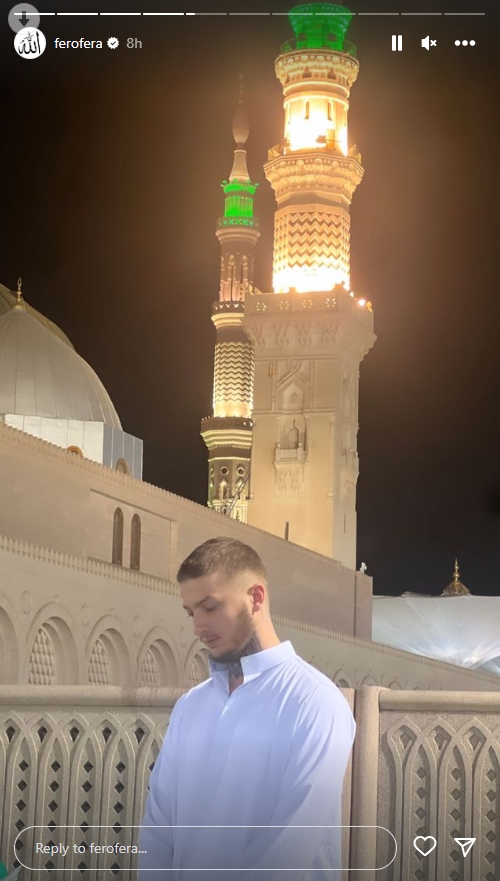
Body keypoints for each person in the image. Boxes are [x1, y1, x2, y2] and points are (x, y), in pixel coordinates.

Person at [138, 537, 355, 880]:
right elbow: (158, 828)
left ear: (256, 598)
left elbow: (290, 851)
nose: (198, 627)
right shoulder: (190, 707)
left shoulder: (315, 702)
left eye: (210, 607)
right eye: (191, 612)